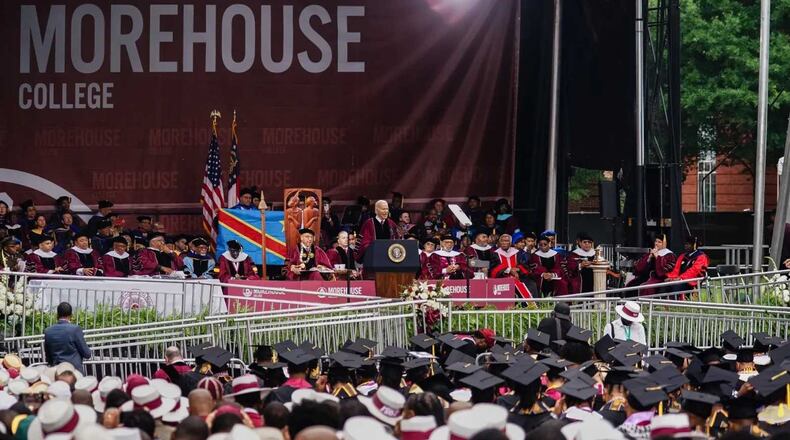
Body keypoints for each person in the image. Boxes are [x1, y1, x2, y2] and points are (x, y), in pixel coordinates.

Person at [44, 302, 91, 373]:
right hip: (74, 372)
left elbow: (48, 356)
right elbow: (87, 354)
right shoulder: (75, 329)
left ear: (57, 315)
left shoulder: (48, 331)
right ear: (71, 315)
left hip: (57, 372)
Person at [490, 234, 534, 298]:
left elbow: (524, 265)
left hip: (518, 276)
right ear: (499, 243)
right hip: (502, 277)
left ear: (510, 243)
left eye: (506, 241)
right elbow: (494, 269)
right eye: (502, 241)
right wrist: (509, 270)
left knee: (531, 284)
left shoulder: (517, 253)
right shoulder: (495, 254)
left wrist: (518, 269)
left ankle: (529, 305)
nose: (504, 243)